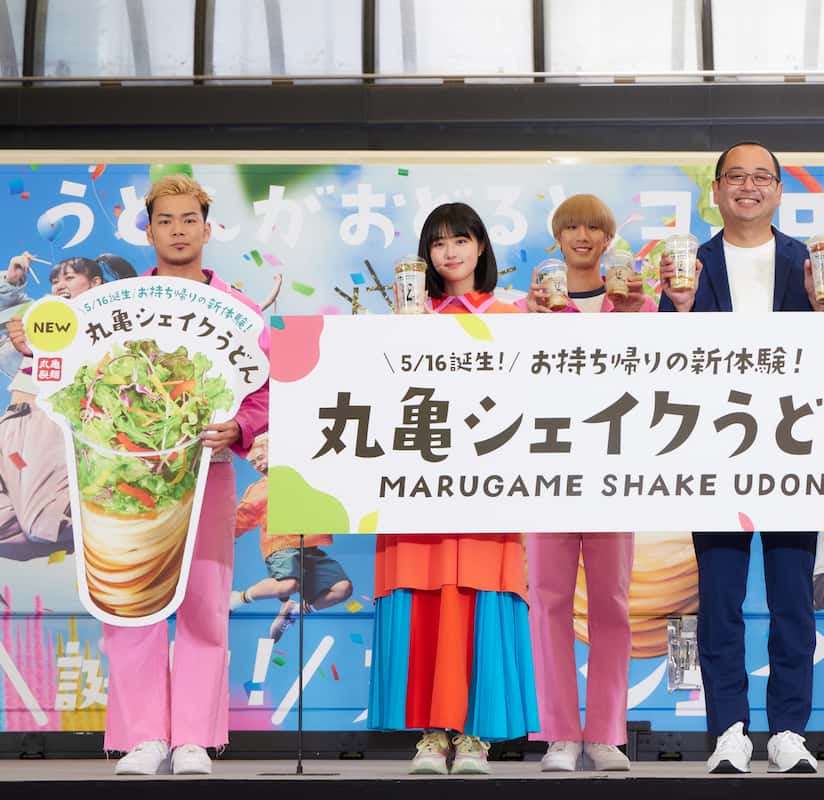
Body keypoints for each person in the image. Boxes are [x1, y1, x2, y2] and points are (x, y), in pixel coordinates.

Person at [658, 141, 824, 774]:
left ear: (778, 191)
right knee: (720, 602)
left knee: (794, 599)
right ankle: (729, 731)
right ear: (715, 190)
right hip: (714, 450)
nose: (748, 186)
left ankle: (789, 731)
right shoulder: (691, 264)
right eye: (735, 177)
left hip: (792, 451)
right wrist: (677, 309)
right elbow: (659, 362)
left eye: (761, 177)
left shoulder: (807, 261)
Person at [65, 175, 267, 776]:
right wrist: (31, 337)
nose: (178, 231)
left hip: (207, 473)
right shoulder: (118, 305)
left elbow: (264, 390)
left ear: (207, 228)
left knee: (205, 604)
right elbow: (69, 361)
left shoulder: (239, 309)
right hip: (127, 476)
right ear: (148, 231)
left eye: (188, 219)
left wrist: (240, 427)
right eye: (165, 220)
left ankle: (194, 739)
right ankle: (143, 737)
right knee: (131, 604)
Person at [369, 203, 539, 776]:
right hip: (418, 485)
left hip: (487, 484)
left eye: (461, 240)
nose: (450, 252)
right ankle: (429, 734)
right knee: (425, 599)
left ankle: (474, 736)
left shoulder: (512, 317)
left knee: (479, 598)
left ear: (481, 247)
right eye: (438, 243)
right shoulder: (406, 318)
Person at [519, 194, 651, 773]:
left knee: (612, 605)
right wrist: (529, 324)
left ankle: (605, 733)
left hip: (615, 471)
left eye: (593, 228)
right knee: (547, 603)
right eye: (570, 227)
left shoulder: (637, 305)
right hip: (546, 469)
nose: (582, 236)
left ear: (607, 239)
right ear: (557, 238)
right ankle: (558, 735)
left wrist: (641, 316)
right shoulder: (531, 307)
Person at [0, 257, 108, 561]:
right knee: (29, 527)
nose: (60, 285)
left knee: (42, 522)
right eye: (55, 280)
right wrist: (12, 281)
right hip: (12, 424)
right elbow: (6, 315)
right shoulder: (41, 316)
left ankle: (117, 514)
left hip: (44, 422)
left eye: (70, 278)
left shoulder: (102, 324)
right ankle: (88, 522)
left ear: (95, 284)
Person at [230, 434, 353, 641]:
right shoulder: (260, 489)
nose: (258, 464)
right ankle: (238, 598)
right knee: (288, 585)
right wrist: (223, 537)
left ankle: (294, 611)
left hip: (308, 546)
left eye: (261, 457)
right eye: (253, 462)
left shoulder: (302, 477)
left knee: (343, 588)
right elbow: (243, 517)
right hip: (281, 545)